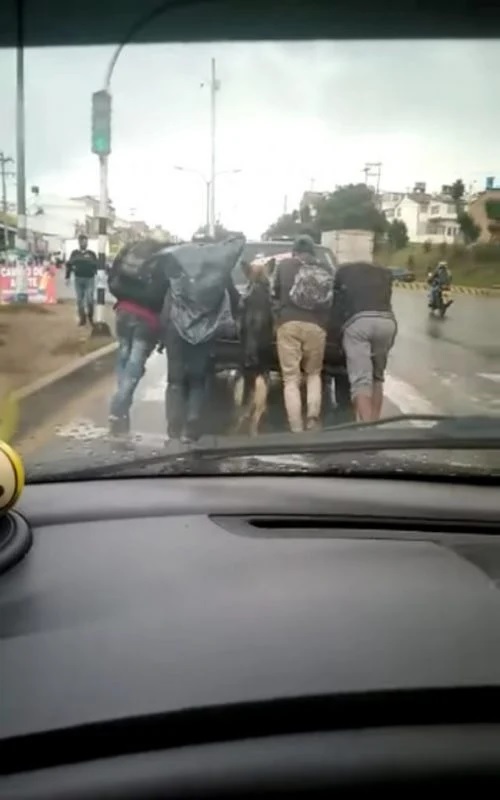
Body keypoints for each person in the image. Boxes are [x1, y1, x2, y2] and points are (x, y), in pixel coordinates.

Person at [159, 234, 244, 444]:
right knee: (198, 380)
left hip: (176, 330)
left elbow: (167, 304)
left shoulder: (178, 267)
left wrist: (162, 334)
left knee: (175, 381)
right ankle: (192, 424)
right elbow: (235, 300)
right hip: (204, 333)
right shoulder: (220, 273)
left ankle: (173, 427)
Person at [107, 238, 171, 437]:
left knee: (124, 358)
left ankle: (121, 410)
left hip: (123, 312)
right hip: (146, 320)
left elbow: (113, 277)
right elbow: (165, 297)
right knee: (135, 365)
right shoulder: (164, 260)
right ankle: (118, 406)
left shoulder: (132, 250)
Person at [272, 234, 334, 433]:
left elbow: (274, 293)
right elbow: (331, 298)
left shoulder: (284, 266)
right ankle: (313, 420)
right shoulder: (323, 268)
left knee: (291, 379)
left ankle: (296, 427)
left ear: (294, 250)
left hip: (288, 324)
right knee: (314, 374)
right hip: (316, 326)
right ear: (312, 251)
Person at [331, 259, 397, 423]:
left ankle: (368, 430)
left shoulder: (342, 274)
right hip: (387, 323)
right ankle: (374, 422)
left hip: (359, 324)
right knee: (377, 377)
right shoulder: (382, 275)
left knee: (361, 381)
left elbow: (336, 306)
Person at [65, 234, 99, 326]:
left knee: (89, 299)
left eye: (85, 241)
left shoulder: (92, 254)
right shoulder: (74, 254)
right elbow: (69, 266)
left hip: (90, 279)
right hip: (78, 279)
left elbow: (97, 266)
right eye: (82, 241)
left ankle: (90, 318)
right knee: (79, 300)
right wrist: (67, 277)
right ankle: (82, 319)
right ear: (79, 242)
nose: (84, 243)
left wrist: (98, 274)